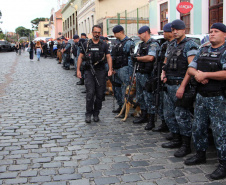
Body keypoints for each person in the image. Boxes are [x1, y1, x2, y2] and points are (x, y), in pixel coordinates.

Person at [184, 23, 226, 180]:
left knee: (220, 132)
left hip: (219, 98)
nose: (212, 34)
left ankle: (223, 164)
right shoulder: (204, 48)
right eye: (211, 31)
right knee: (198, 126)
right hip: (202, 96)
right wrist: (198, 75)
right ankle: (200, 154)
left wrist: (206, 75)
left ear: (225, 35)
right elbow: (190, 68)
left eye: (216, 31)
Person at [161, 19, 199, 158]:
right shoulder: (171, 44)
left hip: (180, 84)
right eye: (173, 30)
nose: (175, 32)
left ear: (184, 29)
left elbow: (191, 68)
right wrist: (163, 74)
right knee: (169, 114)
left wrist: (182, 87)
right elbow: (166, 61)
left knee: (182, 116)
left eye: (177, 29)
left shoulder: (190, 45)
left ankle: (186, 145)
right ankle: (176, 139)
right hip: (169, 83)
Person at [77, 25, 113, 123]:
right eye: (95, 32)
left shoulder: (104, 45)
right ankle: (88, 114)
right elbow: (80, 57)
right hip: (89, 71)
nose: (97, 34)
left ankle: (96, 113)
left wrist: (110, 69)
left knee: (100, 94)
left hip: (100, 71)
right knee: (90, 93)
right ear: (92, 32)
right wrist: (78, 70)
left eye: (98, 32)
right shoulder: (86, 44)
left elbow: (109, 57)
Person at [132, 26, 160, 131]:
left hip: (149, 75)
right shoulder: (141, 45)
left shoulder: (153, 44)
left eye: (140, 33)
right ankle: (143, 115)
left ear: (145, 33)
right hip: (140, 73)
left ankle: (151, 120)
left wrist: (137, 58)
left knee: (149, 98)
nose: (139, 35)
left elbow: (150, 57)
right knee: (140, 96)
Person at [152, 23, 174, 132]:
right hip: (160, 76)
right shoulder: (164, 45)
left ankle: (174, 130)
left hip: (173, 79)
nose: (163, 34)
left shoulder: (178, 45)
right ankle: (164, 123)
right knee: (160, 102)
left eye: (165, 31)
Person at [111, 25, 135, 113]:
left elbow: (130, 59)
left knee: (124, 89)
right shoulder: (116, 42)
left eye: (115, 33)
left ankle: (125, 108)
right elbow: (112, 55)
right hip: (116, 68)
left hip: (124, 68)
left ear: (121, 32)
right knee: (116, 88)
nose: (114, 35)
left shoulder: (129, 43)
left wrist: (130, 73)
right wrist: (112, 67)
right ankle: (120, 105)